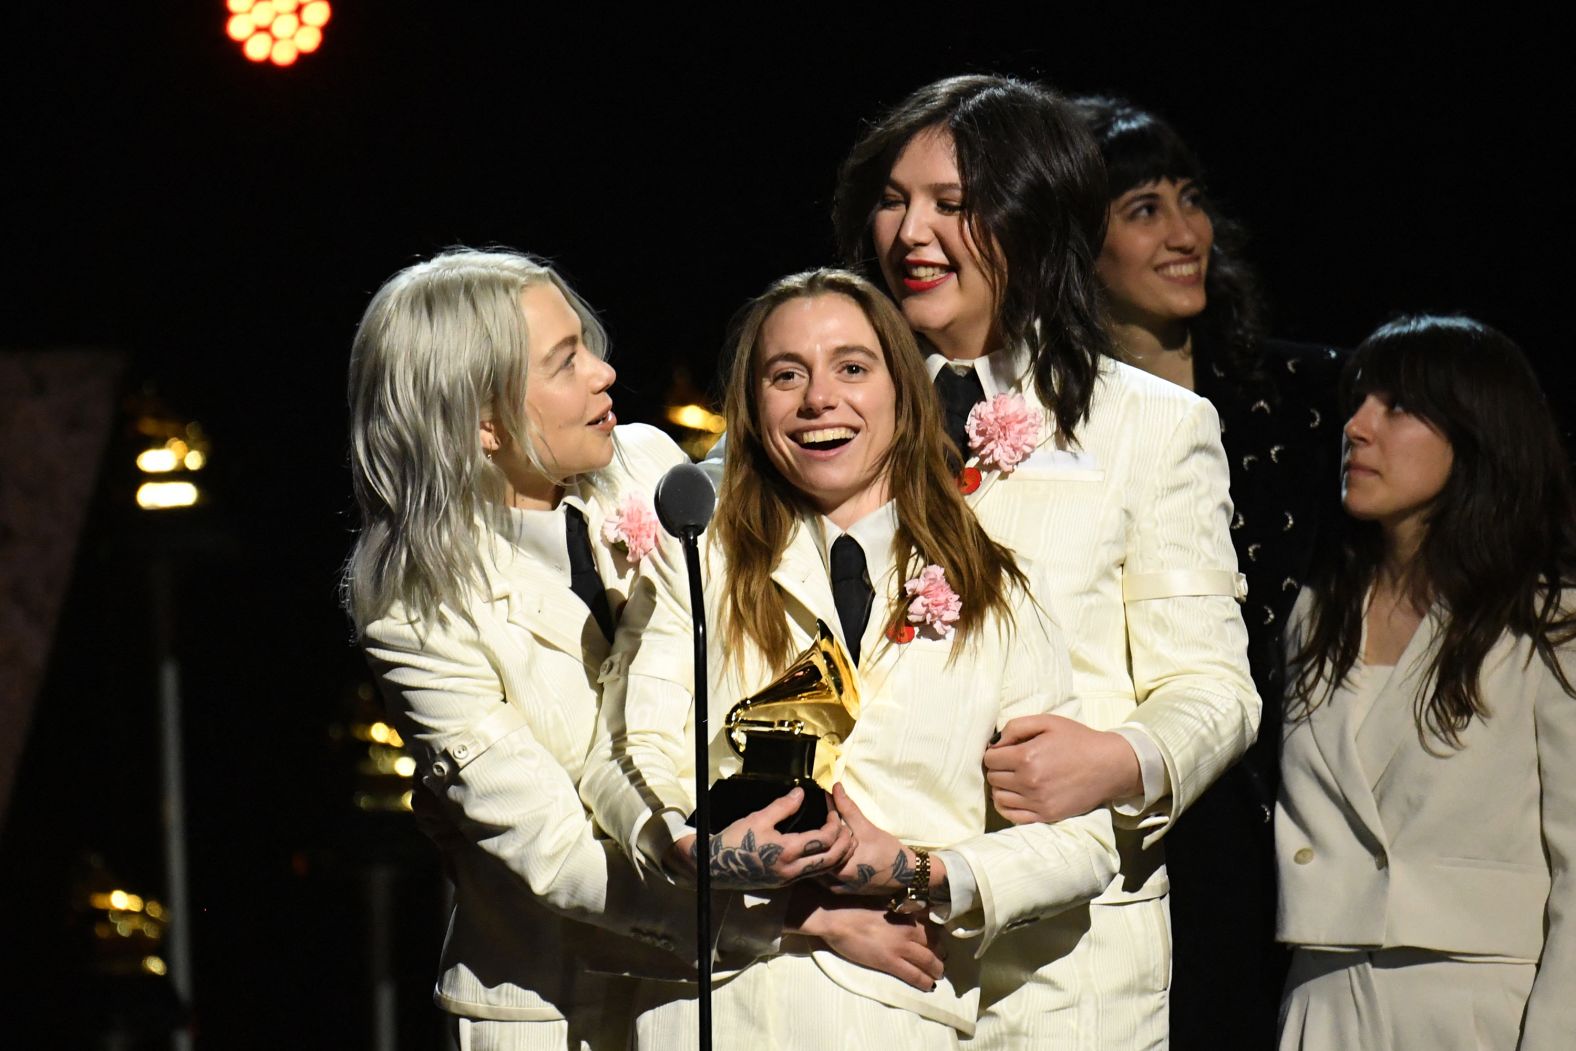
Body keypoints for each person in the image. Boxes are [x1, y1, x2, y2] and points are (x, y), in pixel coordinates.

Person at [343, 249, 888, 1050]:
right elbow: (557, 853)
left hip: (719, 993)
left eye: (587, 345)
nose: (604, 372)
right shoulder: (415, 610)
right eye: (566, 363)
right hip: (554, 1004)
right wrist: (793, 919)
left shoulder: (646, 463)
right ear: (482, 421)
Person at [582, 268, 1119, 1048]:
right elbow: (622, 758)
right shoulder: (698, 560)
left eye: (852, 368)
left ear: (902, 392)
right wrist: (698, 853)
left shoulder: (991, 586)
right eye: (786, 373)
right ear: (752, 404)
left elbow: (1085, 845)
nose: (818, 399)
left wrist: (912, 870)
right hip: (716, 1011)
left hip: (895, 1016)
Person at [832, 75, 1259, 1048]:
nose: (911, 233)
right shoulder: (828, 417)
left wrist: (1119, 758)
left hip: (1069, 963)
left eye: (952, 203)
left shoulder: (1151, 426)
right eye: (893, 201)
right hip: (862, 954)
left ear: (1034, 217)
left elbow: (1212, 688)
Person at [1071, 94, 1346, 1047]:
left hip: (1302, 809)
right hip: (1136, 801)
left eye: (1190, 200)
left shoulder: (1308, 396)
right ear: (1076, 241)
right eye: (1144, 208)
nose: (1186, 231)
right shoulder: (1048, 421)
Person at [1276, 315, 1576, 1050]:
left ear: (1476, 432)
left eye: (1397, 406)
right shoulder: (1315, 612)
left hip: (1478, 1003)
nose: (1357, 426)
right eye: (1358, 401)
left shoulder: (1549, 621)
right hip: (1323, 991)